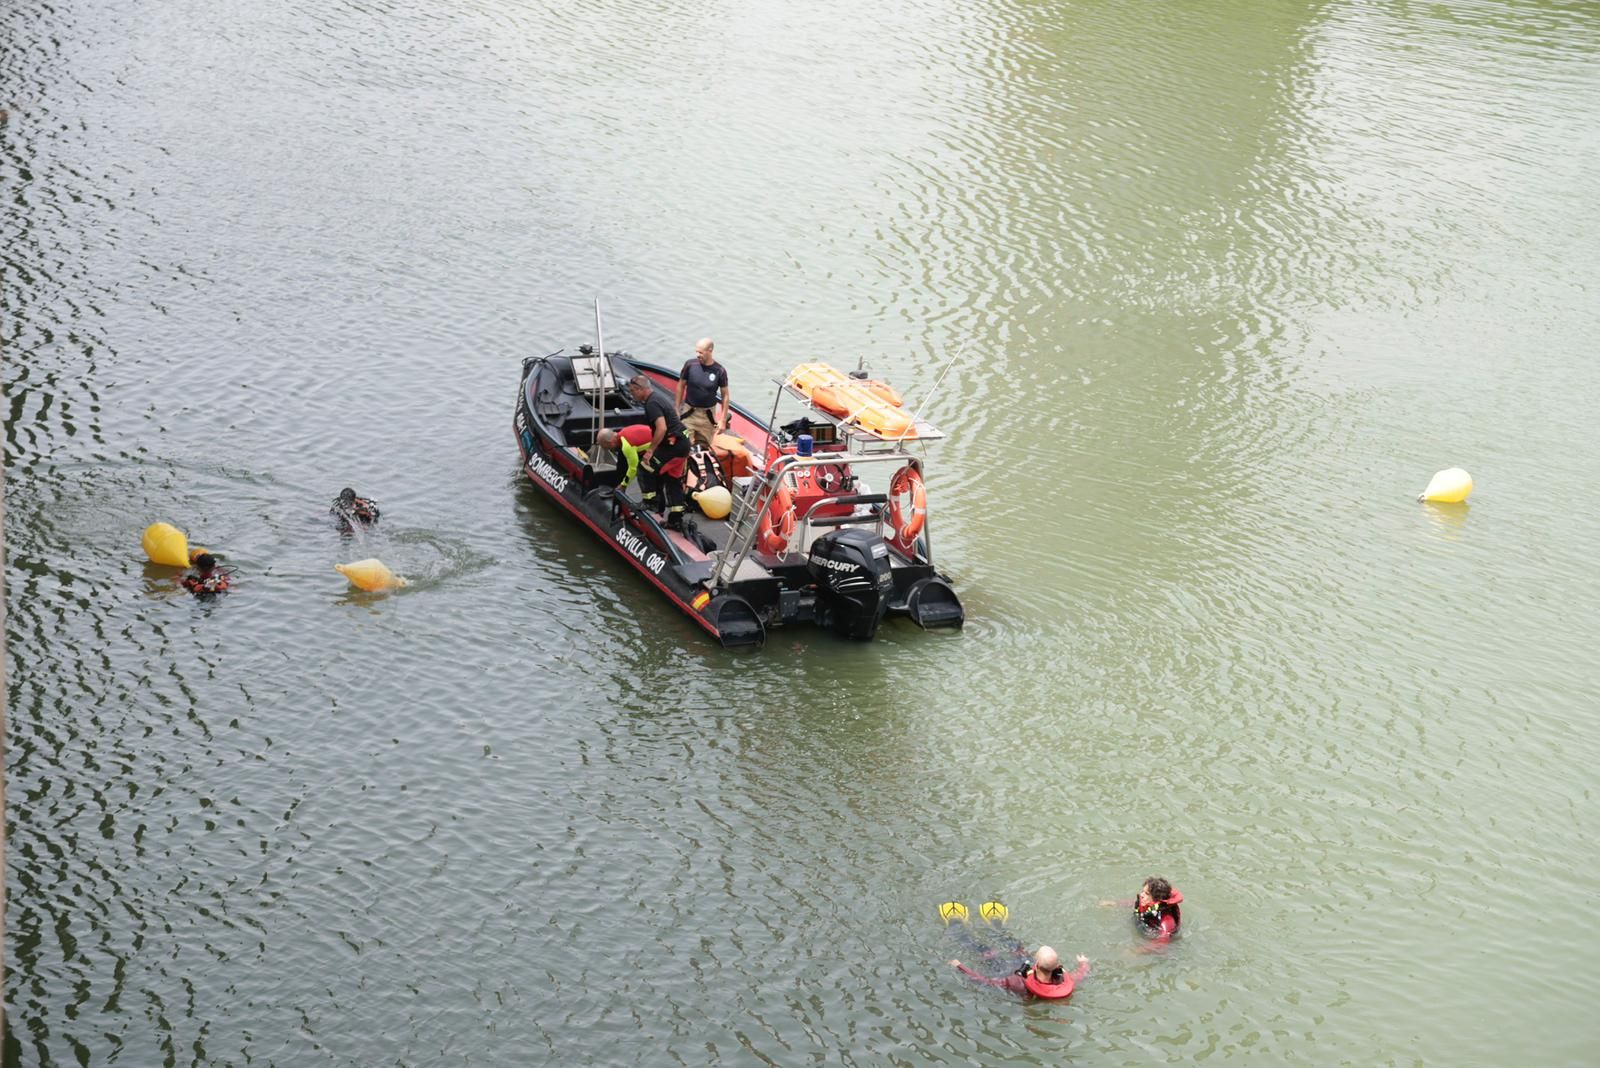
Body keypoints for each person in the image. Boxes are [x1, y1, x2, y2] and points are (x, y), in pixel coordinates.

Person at [627, 373, 691, 529]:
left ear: (640, 389)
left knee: (645, 467)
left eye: (632, 391)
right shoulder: (657, 398)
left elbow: (661, 428)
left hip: (674, 445)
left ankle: (650, 503)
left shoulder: (652, 404)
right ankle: (676, 518)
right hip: (681, 443)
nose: (631, 394)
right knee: (672, 479)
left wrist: (650, 451)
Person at [950, 945, 1090, 1001]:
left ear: (1037, 964)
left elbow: (985, 981)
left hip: (1008, 969)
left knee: (991, 955)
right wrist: (1083, 962)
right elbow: (1080, 974)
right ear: (1058, 966)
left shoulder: (1016, 982)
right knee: (1018, 952)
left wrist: (959, 966)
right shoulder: (1063, 981)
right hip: (1027, 972)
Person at [673, 337, 731, 448]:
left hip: (708, 416)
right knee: (684, 445)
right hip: (689, 412)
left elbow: (725, 396)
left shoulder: (720, 371)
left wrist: (722, 420)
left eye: (700, 352)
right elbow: (681, 385)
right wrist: (676, 407)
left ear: (710, 350)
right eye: (696, 351)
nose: (697, 354)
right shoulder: (690, 365)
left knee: (704, 447)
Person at [1132, 877, 1183, 942]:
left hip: (1153, 937)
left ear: (1157, 899)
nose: (1141, 895)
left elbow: (1162, 942)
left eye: (1146, 893)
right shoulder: (1147, 902)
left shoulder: (1167, 919)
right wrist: (1118, 904)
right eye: (1143, 891)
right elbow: (1134, 903)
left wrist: (1137, 951)